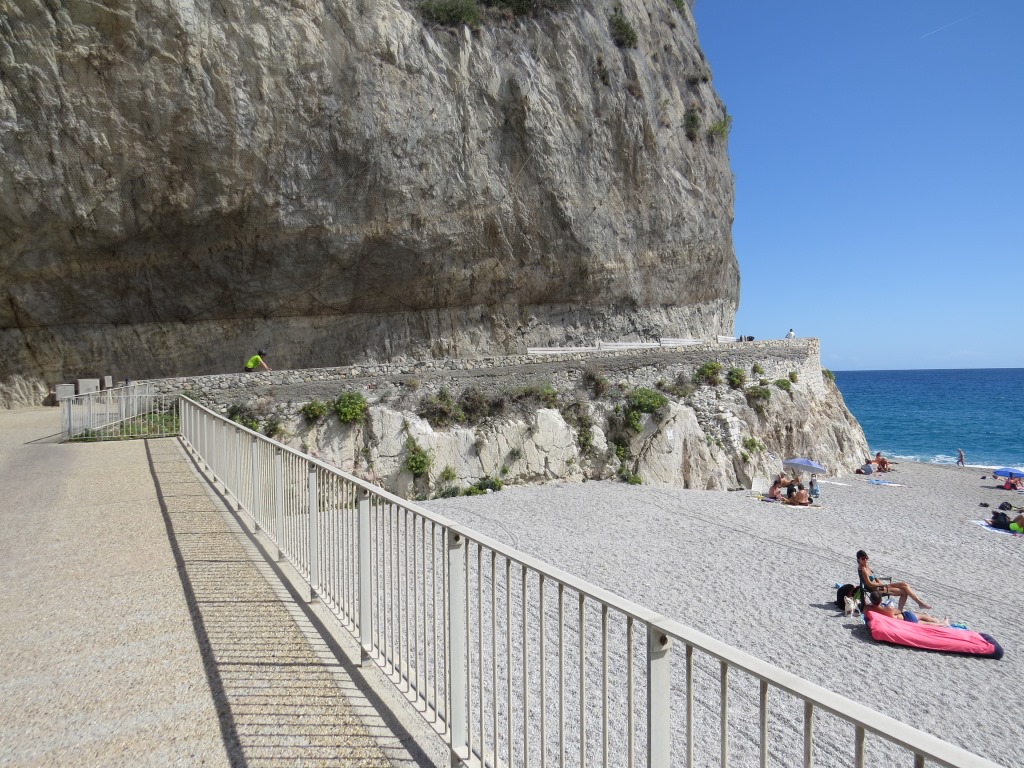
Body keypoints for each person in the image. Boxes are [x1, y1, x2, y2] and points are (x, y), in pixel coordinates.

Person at [856, 550, 931, 610]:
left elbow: (874, 576)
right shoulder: (863, 570)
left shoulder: (866, 566)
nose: (865, 560)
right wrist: (880, 584)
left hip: (881, 586)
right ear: (858, 559)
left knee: (904, 584)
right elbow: (869, 583)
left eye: (866, 558)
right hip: (876, 590)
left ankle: (920, 603)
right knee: (904, 592)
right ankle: (901, 611)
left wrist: (879, 581)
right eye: (863, 558)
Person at [865, 592, 947, 626]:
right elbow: (899, 611)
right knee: (925, 617)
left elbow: (865, 608)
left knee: (925, 623)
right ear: (880, 600)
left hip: (905, 622)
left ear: (871, 600)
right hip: (907, 618)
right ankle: (942, 623)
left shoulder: (868, 609)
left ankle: (941, 623)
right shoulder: (889, 609)